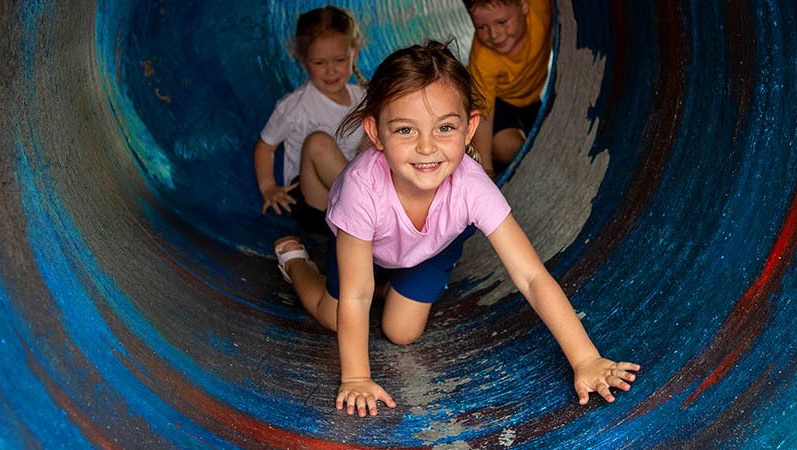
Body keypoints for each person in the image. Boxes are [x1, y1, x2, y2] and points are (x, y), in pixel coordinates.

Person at [271, 41, 639, 417]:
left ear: (469, 128)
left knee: (401, 332)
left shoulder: (472, 185)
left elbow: (530, 276)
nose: (427, 147)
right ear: (376, 133)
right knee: (337, 317)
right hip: (360, 247)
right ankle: (297, 262)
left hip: (430, 250)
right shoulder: (360, 189)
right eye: (405, 130)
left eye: (445, 127)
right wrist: (355, 379)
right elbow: (356, 295)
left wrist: (585, 359)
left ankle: (392, 284)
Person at [254, 6, 370, 234]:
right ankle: (371, 211)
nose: (330, 71)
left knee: (377, 129)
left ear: (353, 54)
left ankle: (373, 209)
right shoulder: (295, 106)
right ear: (304, 61)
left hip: (355, 192)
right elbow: (264, 147)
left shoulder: (362, 97)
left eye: (339, 60)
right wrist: (268, 187)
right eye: (319, 63)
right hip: (316, 204)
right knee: (318, 143)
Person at [464, 0, 552, 178]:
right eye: (481, 27)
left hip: (532, 99)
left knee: (549, 145)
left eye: (502, 22)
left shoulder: (541, 9)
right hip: (499, 103)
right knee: (510, 149)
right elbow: (484, 115)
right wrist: (485, 170)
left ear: (524, 6)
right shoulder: (483, 59)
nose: (494, 35)